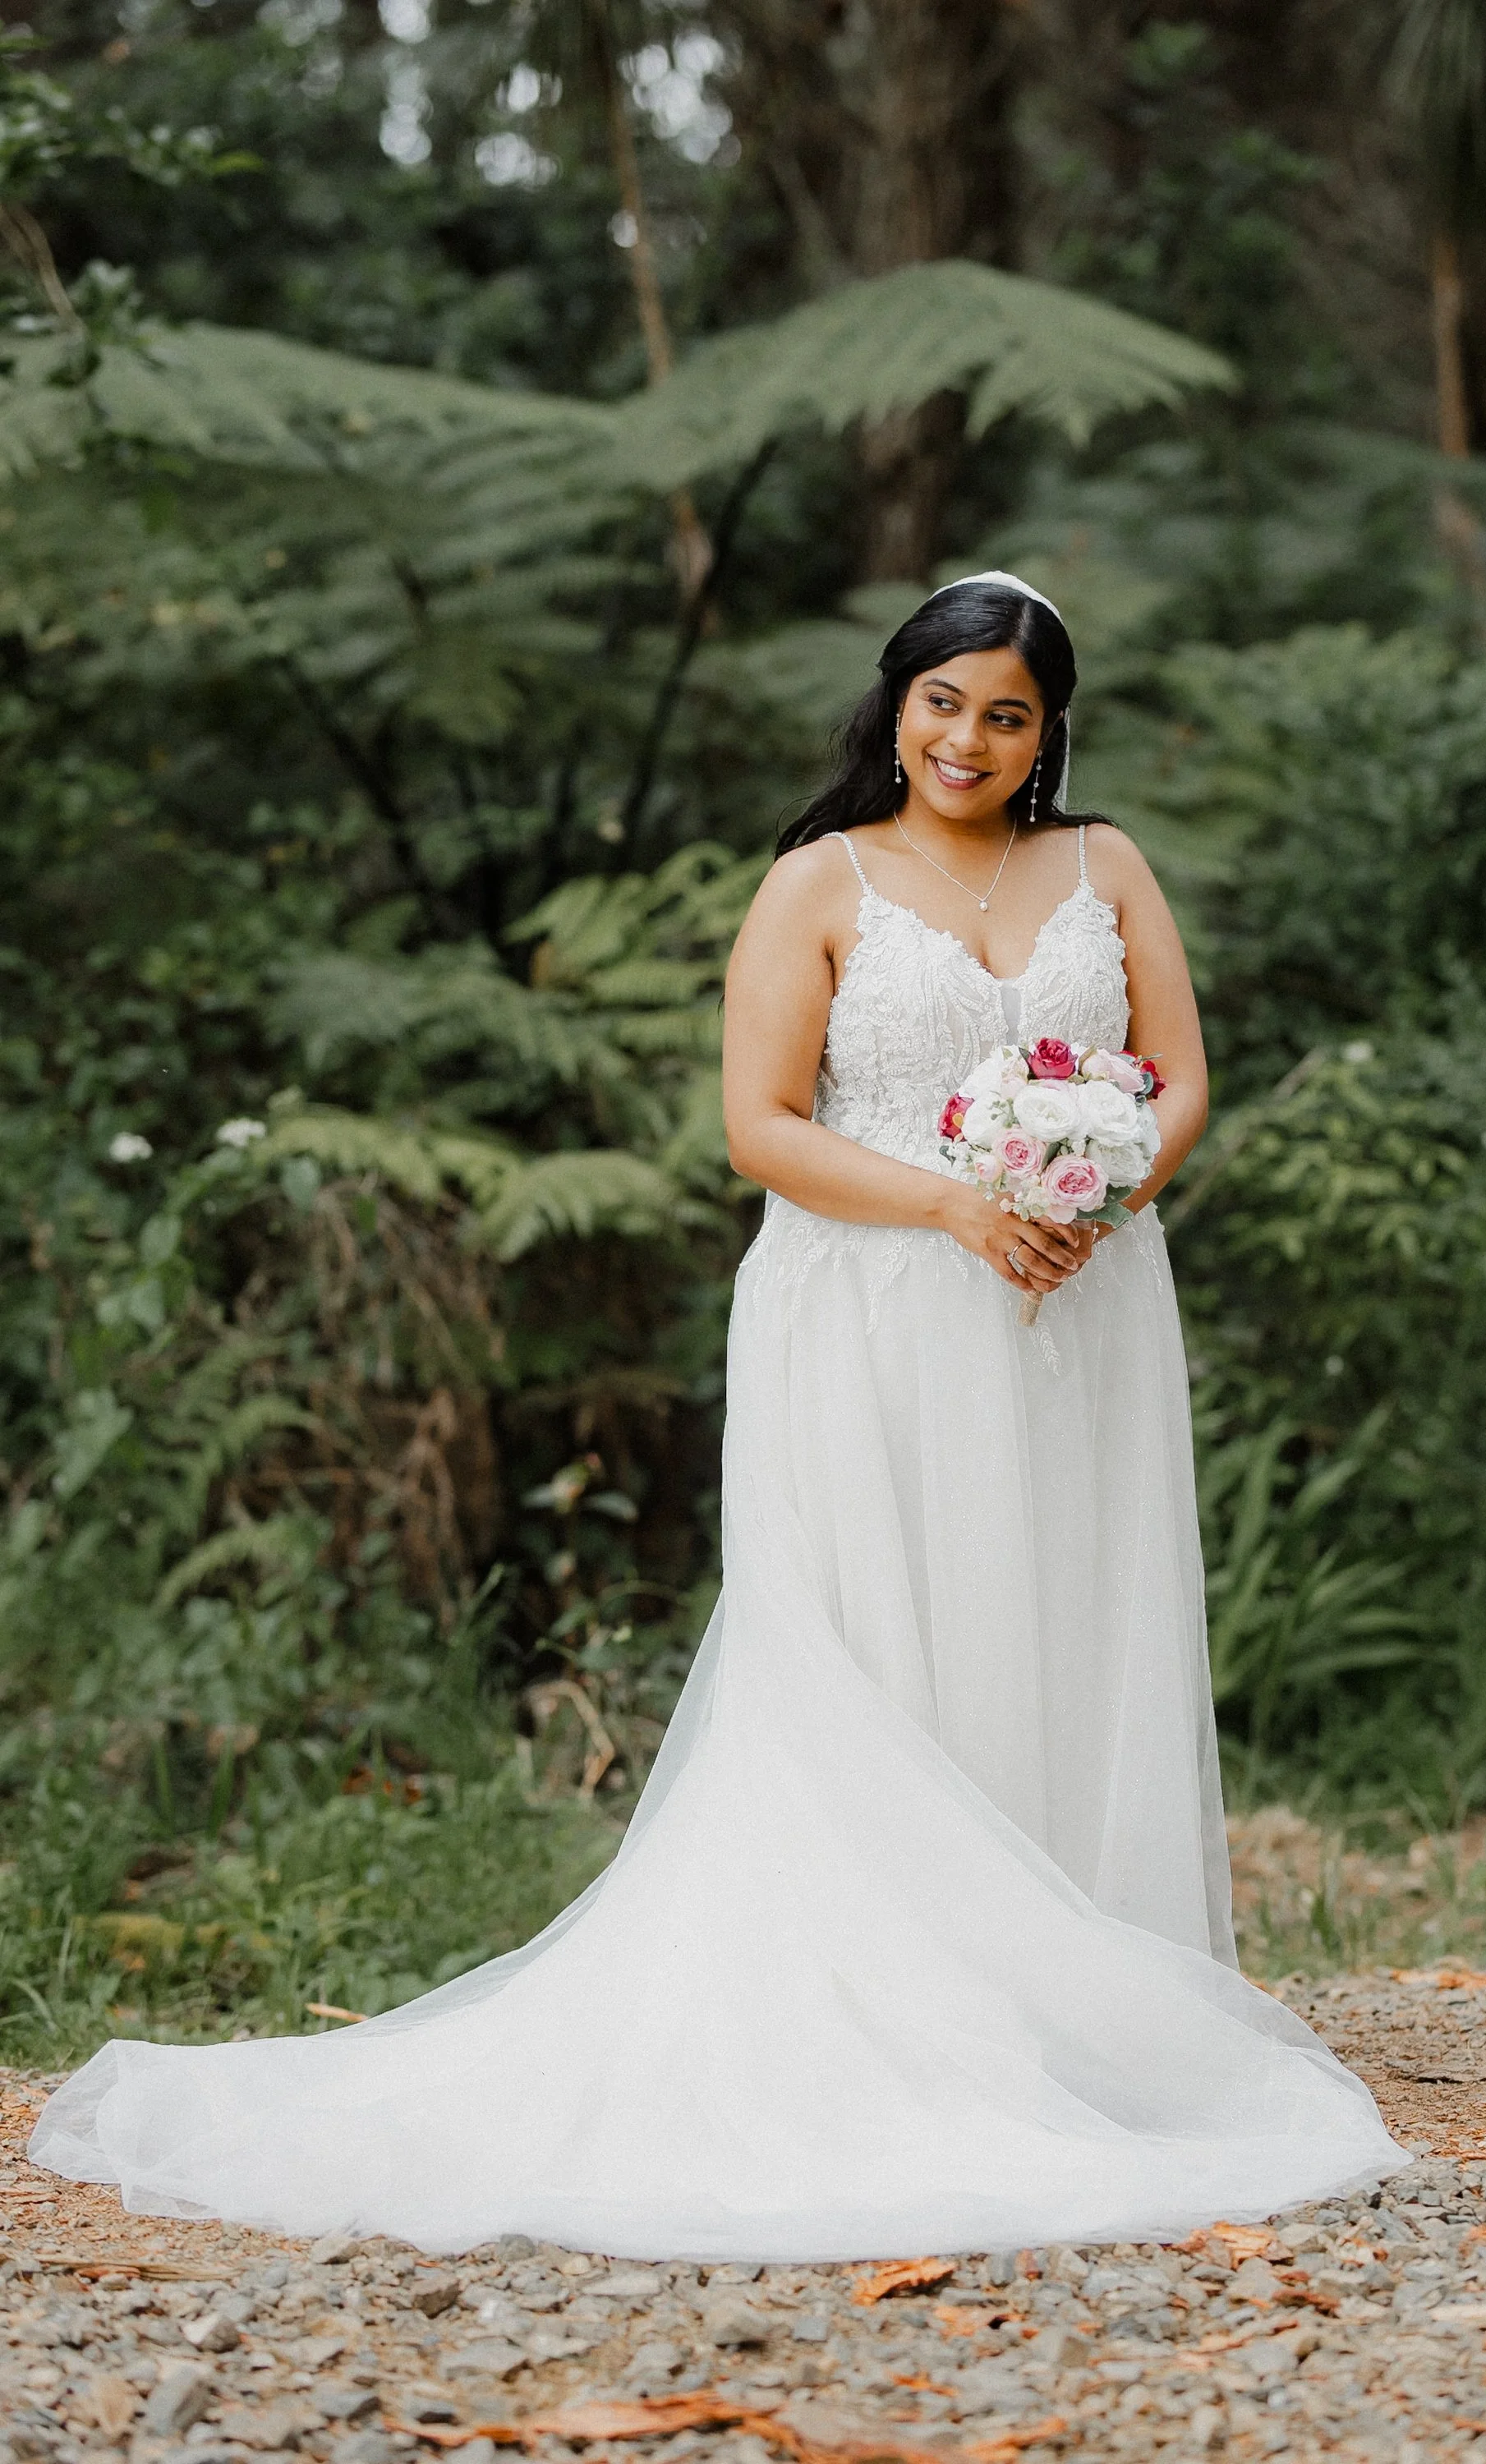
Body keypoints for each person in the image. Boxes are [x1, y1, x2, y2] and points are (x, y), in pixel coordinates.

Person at [30, 573, 1401, 2259]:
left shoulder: (1102, 868)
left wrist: (1101, 1192)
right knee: (893, 1644)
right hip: (880, 1306)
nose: (967, 740)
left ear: (1051, 731)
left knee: (1063, 1616)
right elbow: (759, 1128)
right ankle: (907, 2010)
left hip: (1083, 1297)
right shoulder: (813, 884)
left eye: (1006, 714)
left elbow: (1178, 1072)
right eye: (941, 702)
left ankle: (1088, 2004)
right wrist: (963, 1210)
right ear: (894, 703)